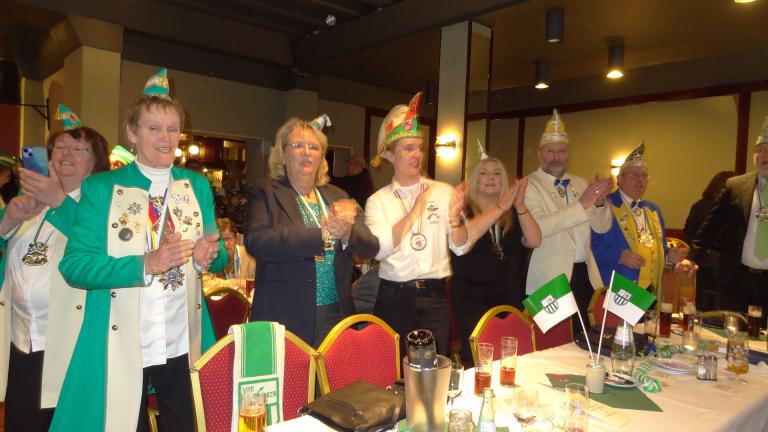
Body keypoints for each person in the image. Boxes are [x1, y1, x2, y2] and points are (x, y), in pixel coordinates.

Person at [51, 68, 226, 432]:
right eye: (154, 128)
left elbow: (217, 254)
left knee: (187, 424)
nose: (166, 138)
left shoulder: (196, 185)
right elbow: (75, 266)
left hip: (182, 337)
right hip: (122, 339)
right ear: (132, 133)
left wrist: (207, 256)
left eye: (172, 129)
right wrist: (145, 263)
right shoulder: (102, 188)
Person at [0, 105, 109, 432]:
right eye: (59, 146)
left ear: (95, 162)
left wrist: (59, 200)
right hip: (20, 340)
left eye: (79, 148)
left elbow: (102, 248)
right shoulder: (28, 199)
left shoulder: (103, 204)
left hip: (69, 343)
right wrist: (9, 219)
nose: (66, 152)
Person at [245, 116, 378, 347]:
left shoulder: (337, 195)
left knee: (332, 373)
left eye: (314, 147)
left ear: (321, 157)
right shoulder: (265, 191)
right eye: (298, 145)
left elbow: (371, 247)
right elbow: (257, 242)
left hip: (335, 315)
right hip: (285, 315)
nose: (307, 152)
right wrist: (320, 235)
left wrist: (347, 233)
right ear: (283, 155)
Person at [365, 92, 470, 356]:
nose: (417, 155)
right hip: (394, 297)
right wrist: (413, 213)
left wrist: (456, 219)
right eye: (409, 148)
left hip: (435, 295)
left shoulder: (443, 191)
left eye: (420, 148)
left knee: (434, 368)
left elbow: (461, 247)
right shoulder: (378, 201)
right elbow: (379, 250)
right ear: (391, 155)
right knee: (393, 367)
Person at [450, 149, 542, 363]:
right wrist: (500, 207)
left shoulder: (511, 213)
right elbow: (463, 240)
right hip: (472, 299)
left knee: (510, 358)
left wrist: (519, 204)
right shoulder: (462, 211)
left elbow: (534, 240)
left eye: (497, 173)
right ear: (474, 180)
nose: (490, 177)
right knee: (481, 360)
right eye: (483, 173)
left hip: (508, 296)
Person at [524, 109, 612, 329]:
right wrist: (582, 204)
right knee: (553, 340)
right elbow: (539, 228)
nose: (556, 157)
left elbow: (601, 228)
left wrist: (600, 204)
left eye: (562, 151)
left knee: (586, 335)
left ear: (569, 154)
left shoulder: (580, 183)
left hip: (584, 274)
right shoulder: (529, 185)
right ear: (539, 154)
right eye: (550, 151)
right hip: (550, 278)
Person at [591, 142, 691, 295]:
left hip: (651, 291)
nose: (639, 180)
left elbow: (658, 248)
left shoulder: (654, 209)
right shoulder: (603, 205)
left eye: (644, 175)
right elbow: (590, 245)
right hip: (617, 290)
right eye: (633, 175)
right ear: (619, 179)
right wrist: (619, 255)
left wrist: (669, 256)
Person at [690, 117, 768, 312]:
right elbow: (711, 225)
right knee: (734, 329)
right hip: (736, 280)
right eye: (759, 151)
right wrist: (691, 258)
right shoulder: (736, 185)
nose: (763, 155)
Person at [684, 170, 734, 309]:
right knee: (720, 309)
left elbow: (689, 232)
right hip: (721, 266)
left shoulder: (698, 205)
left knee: (699, 306)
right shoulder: (731, 208)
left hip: (698, 262)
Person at [203, 217, 256, 296]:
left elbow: (256, 283)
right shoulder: (208, 257)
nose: (225, 244)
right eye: (220, 240)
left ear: (236, 238)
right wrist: (238, 283)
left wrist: (220, 284)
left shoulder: (249, 255)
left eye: (228, 238)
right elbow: (205, 284)